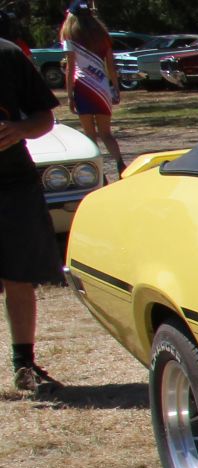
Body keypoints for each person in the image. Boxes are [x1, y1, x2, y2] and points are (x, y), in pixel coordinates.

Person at [1, 38, 63, 396]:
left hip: (12, 182)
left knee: (19, 276)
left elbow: (44, 117)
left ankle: (24, 364)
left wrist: (21, 130)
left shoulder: (7, 55)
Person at [59, 0, 122, 175]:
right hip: (102, 87)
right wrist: (115, 88)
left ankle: (98, 172)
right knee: (106, 133)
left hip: (82, 86)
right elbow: (110, 64)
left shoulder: (69, 37)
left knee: (90, 134)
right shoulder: (103, 36)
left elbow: (70, 68)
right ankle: (120, 163)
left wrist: (70, 95)